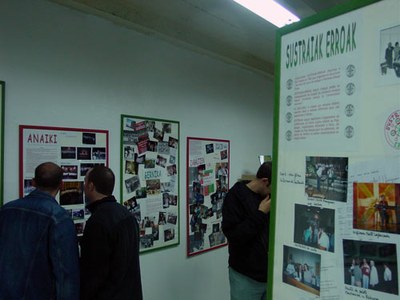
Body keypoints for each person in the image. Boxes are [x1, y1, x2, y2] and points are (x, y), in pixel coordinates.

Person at [0, 162, 80, 299]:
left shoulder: (6, 209)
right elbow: (66, 274)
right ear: (61, 185)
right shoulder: (60, 218)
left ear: (33, 182)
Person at [80, 165, 143, 300]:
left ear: (91, 186)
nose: (84, 187)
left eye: (85, 182)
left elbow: (93, 274)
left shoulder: (98, 222)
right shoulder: (126, 214)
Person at [222, 161, 272, 300]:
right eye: (272, 188)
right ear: (265, 181)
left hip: (268, 276)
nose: (273, 193)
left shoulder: (267, 197)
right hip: (245, 277)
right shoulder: (235, 197)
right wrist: (261, 213)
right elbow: (235, 236)